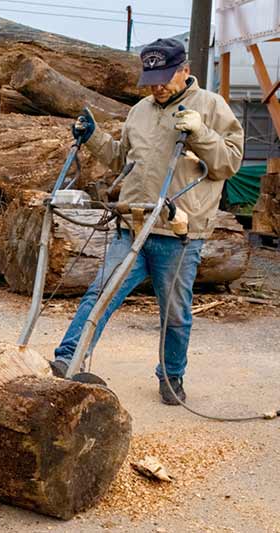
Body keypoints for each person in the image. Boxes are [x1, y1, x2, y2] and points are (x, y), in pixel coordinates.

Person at [50, 38, 244, 405]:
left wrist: (202, 134)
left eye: (165, 78)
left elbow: (229, 164)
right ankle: (67, 360)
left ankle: (171, 377)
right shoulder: (140, 111)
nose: (157, 86)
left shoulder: (211, 106)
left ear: (185, 70)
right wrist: (92, 138)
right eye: (152, 79)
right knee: (100, 294)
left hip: (179, 231)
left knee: (175, 314)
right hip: (134, 223)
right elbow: (120, 159)